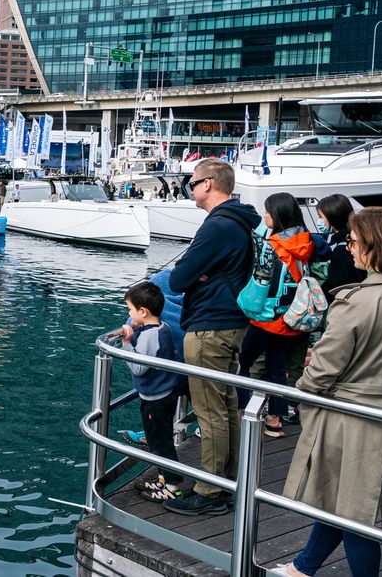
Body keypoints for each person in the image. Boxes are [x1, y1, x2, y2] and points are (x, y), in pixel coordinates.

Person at [279, 207, 382, 577]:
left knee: (355, 511)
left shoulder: (355, 302)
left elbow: (323, 370)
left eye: (355, 242)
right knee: (348, 500)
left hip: (351, 416)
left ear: (374, 248)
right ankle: (302, 567)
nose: (351, 249)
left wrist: (304, 391)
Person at [165, 158, 261, 516]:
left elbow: (178, 279)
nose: (190, 188)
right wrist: (196, 273)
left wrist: (195, 274)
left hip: (210, 325)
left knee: (210, 411)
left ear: (208, 184)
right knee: (226, 406)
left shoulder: (217, 226)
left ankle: (209, 491)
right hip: (234, 321)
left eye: (192, 183)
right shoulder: (242, 221)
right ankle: (228, 480)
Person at [235, 193, 313, 437]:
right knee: (277, 371)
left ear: (277, 215)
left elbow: (260, 285)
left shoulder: (274, 246)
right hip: (290, 320)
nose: (265, 216)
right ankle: (274, 420)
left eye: (267, 212)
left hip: (266, 319)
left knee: (243, 364)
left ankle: (244, 412)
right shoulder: (304, 241)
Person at [112, 281, 187, 502]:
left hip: (156, 398)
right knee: (159, 440)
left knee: (160, 443)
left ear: (142, 312)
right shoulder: (162, 328)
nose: (128, 313)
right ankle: (164, 479)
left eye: (130, 309)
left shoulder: (148, 336)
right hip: (164, 393)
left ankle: (172, 485)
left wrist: (126, 342)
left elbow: (138, 367)